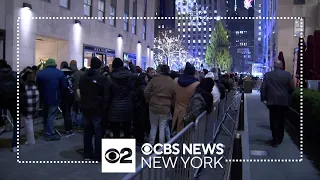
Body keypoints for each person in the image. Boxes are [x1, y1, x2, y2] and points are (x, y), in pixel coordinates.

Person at [79, 57, 110, 161]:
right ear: (99, 66)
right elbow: (105, 95)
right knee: (98, 132)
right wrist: (104, 108)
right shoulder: (102, 78)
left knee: (87, 130)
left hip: (85, 107)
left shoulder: (83, 77)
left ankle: (87, 153)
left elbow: (80, 91)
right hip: (97, 109)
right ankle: (98, 155)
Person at [260, 60, 294, 147]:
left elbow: (264, 87)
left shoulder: (268, 75)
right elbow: (292, 87)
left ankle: (275, 139)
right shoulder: (287, 75)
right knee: (282, 120)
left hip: (272, 101)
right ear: (281, 66)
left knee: (273, 119)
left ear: (274, 66)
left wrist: (263, 98)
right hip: (284, 101)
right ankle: (280, 137)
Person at [37, 58, 67, 141]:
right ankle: (50, 134)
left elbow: (38, 85)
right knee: (51, 116)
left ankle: (46, 131)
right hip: (55, 97)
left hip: (43, 98)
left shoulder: (40, 73)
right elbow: (64, 86)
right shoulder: (60, 73)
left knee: (45, 115)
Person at [144, 65, 175, 145]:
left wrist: (149, 100)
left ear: (160, 71)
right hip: (165, 107)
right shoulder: (171, 81)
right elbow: (174, 95)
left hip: (153, 106)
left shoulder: (154, 80)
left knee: (153, 127)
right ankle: (161, 148)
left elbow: (146, 92)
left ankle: (151, 145)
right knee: (162, 128)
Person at [107, 58, 137, 138]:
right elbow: (135, 74)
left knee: (116, 131)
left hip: (114, 107)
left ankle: (118, 149)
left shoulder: (110, 77)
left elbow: (108, 95)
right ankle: (127, 149)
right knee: (127, 130)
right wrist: (130, 64)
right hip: (127, 106)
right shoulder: (129, 76)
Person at [172, 62, 200, 133]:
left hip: (176, 111)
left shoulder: (176, 81)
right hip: (188, 114)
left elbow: (173, 95)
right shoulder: (197, 84)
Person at [0, 60, 17, 151]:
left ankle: (2, 125)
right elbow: (22, 85)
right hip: (13, 100)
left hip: (1, 99)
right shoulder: (14, 74)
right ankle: (14, 145)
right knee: (16, 122)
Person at [20, 70, 39, 145]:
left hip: (27, 109)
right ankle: (29, 139)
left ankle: (31, 141)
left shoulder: (25, 88)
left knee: (28, 125)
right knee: (29, 124)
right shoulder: (35, 87)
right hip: (34, 108)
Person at [134, 73, 149, 145]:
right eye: (146, 78)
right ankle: (140, 139)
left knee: (138, 123)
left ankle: (139, 138)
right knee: (141, 123)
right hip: (141, 107)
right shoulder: (143, 87)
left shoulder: (138, 85)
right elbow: (146, 96)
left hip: (137, 106)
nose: (147, 79)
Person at [60, 61, 74, 135]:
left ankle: (68, 128)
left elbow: (62, 86)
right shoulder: (71, 74)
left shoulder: (61, 74)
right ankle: (70, 127)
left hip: (65, 95)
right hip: (71, 94)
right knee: (69, 111)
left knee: (66, 112)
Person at [70, 60, 84, 129]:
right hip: (80, 95)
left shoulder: (72, 75)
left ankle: (76, 123)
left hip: (75, 95)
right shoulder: (82, 73)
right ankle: (80, 124)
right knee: (80, 110)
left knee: (75, 110)